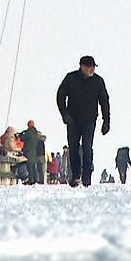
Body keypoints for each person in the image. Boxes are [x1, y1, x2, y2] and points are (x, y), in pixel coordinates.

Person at [55, 55, 111, 187]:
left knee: (87, 148)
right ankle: (76, 175)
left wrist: (106, 121)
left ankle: (87, 176)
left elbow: (104, 101)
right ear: (82, 66)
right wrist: (64, 114)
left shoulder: (98, 81)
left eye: (93, 67)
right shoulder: (71, 78)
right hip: (72, 120)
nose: (92, 69)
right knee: (73, 147)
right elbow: (60, 95)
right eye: (89, 67)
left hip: (89, 120)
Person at [19, 120, 47, 185]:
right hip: (35, 153)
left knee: (29, 166)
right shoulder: (35, 133)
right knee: (34, 167)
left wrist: (20, 134)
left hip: (29, 152)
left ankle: (31, 180)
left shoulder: (29, 132)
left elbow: (22, 138)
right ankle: (35, 179)